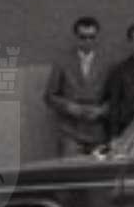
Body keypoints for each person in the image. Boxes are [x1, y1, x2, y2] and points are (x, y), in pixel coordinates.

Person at [44, 13, 111, 153]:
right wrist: (69, 107)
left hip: (98, 132)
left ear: (97, 38)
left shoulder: (108, 63)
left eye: (91, 37)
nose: (87, 41)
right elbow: (49, 96)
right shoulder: (62, 61)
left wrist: (102, 111)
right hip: (70, 132)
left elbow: (116, 96)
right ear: (76, 38)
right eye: (83, 37)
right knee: (71, 166)